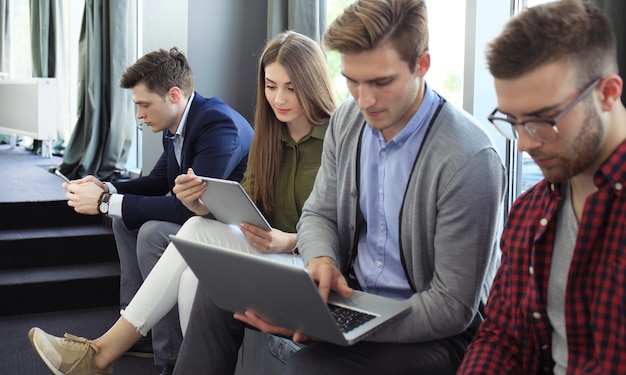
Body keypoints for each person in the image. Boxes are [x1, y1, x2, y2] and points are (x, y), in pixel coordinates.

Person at [173, 0, 507, 374]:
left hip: (434, 334)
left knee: (310, 370)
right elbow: (319, 214)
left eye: (381, 82)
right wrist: (321, 259)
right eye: (352, 80)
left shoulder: (468, 157)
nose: (365, 100)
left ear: (422, 65)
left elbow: (450, 309)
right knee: (219, 291)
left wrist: (342, 328)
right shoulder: (349, 120)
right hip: (350, 297)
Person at [27, 31, 337, 375]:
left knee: (181, 233)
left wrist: (290, 239)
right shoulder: (269, 135)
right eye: (270, 85)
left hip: (309, 259)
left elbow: (342, 225)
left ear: (312, 82)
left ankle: (101, 354)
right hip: (267, 247)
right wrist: (204, 205)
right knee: (193, 265)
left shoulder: (336, 138)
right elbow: (248, 202)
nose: (278, 98)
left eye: (290, 87)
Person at [54, 47, 254, 370]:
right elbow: (157, 180)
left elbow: (190, 210)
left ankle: (170, 355)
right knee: (123, 221)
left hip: (233, 231)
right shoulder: (177, 125)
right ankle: (139, 332)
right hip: (205, 224)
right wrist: (107, 188)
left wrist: (104, 203)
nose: (139, 115)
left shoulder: (217, 125)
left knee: (151, 233)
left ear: (174, 94)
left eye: (144, 105)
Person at [458, 1, 626, 374]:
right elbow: (503, 337)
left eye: (542, 120)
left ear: (608, 93)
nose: (524, 143)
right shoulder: (530, 212)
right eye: (514, 121)